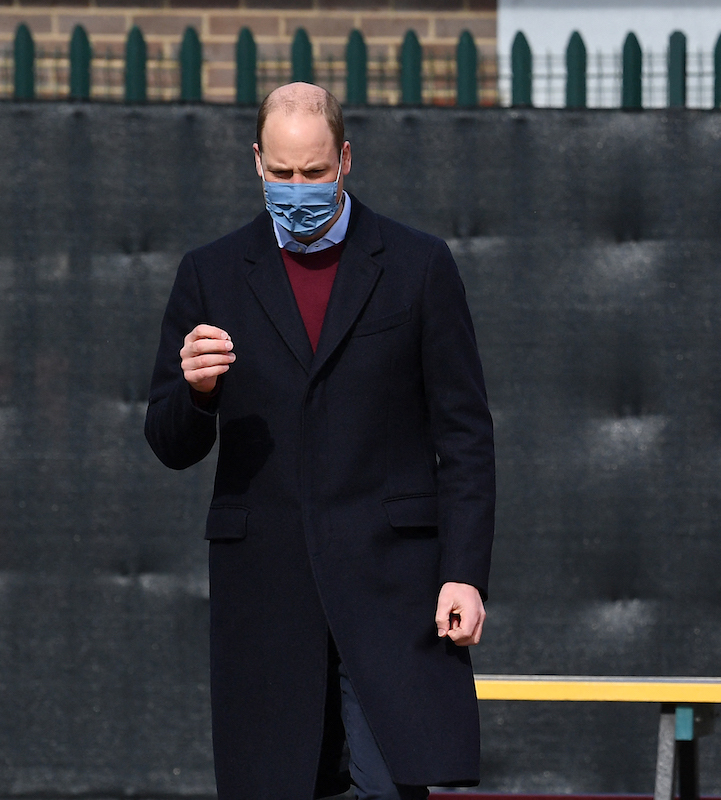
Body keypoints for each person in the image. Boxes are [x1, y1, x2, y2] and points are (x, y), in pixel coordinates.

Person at [144, 82, 495, 800]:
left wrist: (464, 570)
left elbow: (463, 434)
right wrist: (198, 391)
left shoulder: (418, 264)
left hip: (393, 587)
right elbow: (170, 440)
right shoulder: (210, 274)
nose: (297, 188)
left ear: (345, 159)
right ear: (256, 165)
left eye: (313, 172)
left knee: (390, 783)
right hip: (266, 590)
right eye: (281, 174)